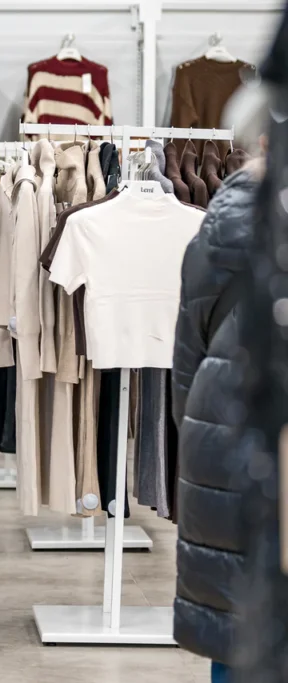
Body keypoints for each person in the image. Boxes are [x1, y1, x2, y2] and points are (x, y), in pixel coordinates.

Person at [171, 157, 262, 680]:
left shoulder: (223, 218)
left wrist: (202, 439)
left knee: (236, 624)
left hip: (230, 438)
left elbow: (190, 353)